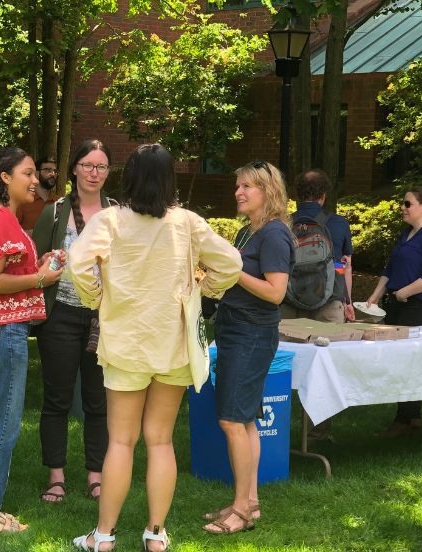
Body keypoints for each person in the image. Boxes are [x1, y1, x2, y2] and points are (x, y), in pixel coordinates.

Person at [67, 144, 241, 551]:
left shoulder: (110, 220)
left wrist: (96, 298)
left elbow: (78, 263)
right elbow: (231, 262)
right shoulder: (187, 222)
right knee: (160, 440)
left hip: (125, 342)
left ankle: (104, 536)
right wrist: (205, 289)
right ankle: (155, 534)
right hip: (171, 342)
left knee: (120, 442)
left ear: (129, 177)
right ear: (169, 180)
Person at [0, 147, 62, 535]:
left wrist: (38, 268)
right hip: (0, 332)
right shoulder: (1, 217)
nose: (35, 180)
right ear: (5, 177)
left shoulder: (3, 219)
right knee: (1, 423)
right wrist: (41, 280)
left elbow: (4, 274)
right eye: (28, 173)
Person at [203, 160, 294, 536]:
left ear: (268, 192)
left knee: (231, 420)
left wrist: (231, 271)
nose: (238, 192)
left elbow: (276, 293)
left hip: (252, 334)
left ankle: (240, 510)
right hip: (235, 329)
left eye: (247, 187)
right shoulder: (246, 232)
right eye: (237, 185)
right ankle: (249, 501)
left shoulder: (274, 234)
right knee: (245, 419)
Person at [32, 140, 112, 503]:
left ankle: (96, 475)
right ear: (75, 169)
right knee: (57, 399)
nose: (94, 173)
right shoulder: (54, 212)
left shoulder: (117, 213)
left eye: (102, 167)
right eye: (88, 165)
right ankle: (56, 476)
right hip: (60, 315)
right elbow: (34, 262)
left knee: (99, 400)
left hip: (104, 318)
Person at [367, 187, 422, 438]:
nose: (403, 207)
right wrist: (376, 294)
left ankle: (405, 418)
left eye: (408, 204)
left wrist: (404, 292)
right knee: (398, 360)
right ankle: (411, 416)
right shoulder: (407, 233)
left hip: (419, 305)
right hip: (398, 304)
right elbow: (390, 267)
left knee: (407, 360)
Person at [281, 169, 353, 322]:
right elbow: (345, 266)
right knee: (329, 346)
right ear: (323, 196)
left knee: (290, 347)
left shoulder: (283, 225)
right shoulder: (339, 224)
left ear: (297, 195)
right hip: (329, 305)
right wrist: (348, 301)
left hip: (289, 305)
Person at [18, 157, 60, 232]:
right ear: (36, 174)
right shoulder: (23, 201)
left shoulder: (60, 202)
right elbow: (10, 232)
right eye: (47, 170)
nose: (53, 174)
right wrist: (36, 234)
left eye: (55, 171)